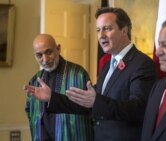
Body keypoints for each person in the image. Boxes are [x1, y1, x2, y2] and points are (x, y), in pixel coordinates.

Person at [24, 8, 157, 141]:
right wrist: (52, 98)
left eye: (107, 28)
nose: (101, 35)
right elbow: (86, 103)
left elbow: (139, 109)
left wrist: (96, 101)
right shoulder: (107, 66)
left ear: (124, 30)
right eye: (98, 30)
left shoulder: (141, 64)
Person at [25, 34, 94, 141]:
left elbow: (91, 109)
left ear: (58, 49)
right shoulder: (34, 81)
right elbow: (30, 111)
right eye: (39, 55)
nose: (45, 59)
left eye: (49, 52)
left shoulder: (78, 75)